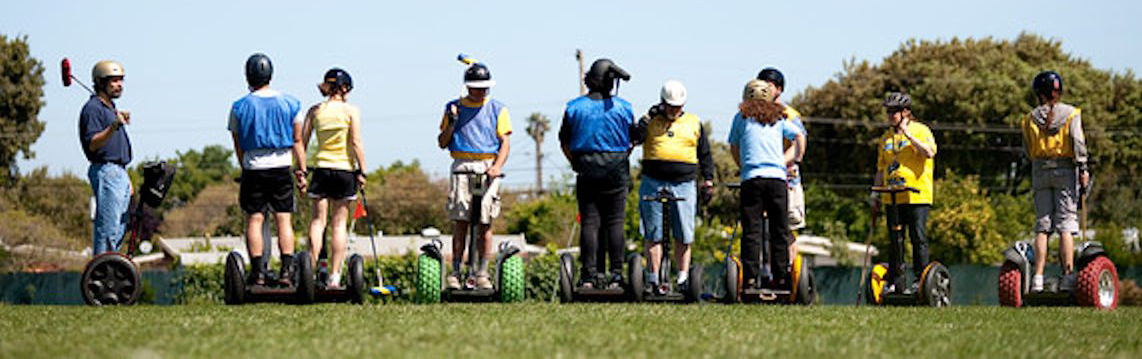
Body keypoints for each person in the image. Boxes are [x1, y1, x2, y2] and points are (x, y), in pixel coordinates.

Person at [228, 53, 308, 286]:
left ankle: (259, 272)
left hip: (254, 167)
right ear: (270, 75)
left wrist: (245, 166)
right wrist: (301, 171)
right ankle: (286, 271)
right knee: (283, 219)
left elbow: (238, 145)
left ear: (248, 77)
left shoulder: (239, 106)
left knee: (254, 220)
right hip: (282, 165)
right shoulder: (291, 103)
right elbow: (297, 141)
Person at [631, 80, 714, 294]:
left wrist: (708, 180)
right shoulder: (651, 121)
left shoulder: (694, 123)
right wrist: (647, 118)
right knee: (653, 232)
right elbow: (635, 139)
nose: (673, 110)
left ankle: (684, 277)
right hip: (653, 180)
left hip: (684, 183)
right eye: (669, 106)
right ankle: (652, 278)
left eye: (677, 107)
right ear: (662, 102)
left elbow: (705, 154)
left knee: (684, 233)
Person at [559, 58, 634, 289]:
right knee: (615, 222)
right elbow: (632, 140)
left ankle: (589, 276)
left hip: (586, 166)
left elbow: (564, 141)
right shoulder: (624, 107)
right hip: (616, 168)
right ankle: (616, 274)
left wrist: (575, 163)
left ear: (590, 80)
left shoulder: (574, 107)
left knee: (590, 223)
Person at [436, 62, 511, 290]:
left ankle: (482, 272)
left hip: (488, 165)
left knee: (484, 223)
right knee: (461, 222)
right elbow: (442, 142)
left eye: (484, 88)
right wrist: (453, 122)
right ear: (468, 87)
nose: (481, 92)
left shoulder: (498, 108)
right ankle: (456, 271)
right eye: (476, 88)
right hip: (461, 165)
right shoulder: (453, 107)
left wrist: (497, 166)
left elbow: (505, 142)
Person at [728, 80, 805, 290]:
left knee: (752, 231)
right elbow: (798, 135)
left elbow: (734, 146)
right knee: (779, 231)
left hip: (752, 179)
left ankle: (750, 279)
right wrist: (787, 160)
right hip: (777, 179)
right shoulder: (779, 117)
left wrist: (742, 165)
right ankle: (781, 279)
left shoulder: (741, 118)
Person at [1021, 71, 1089, 292]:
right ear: (1058, 92)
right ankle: (1067, 277)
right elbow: (1077, 141)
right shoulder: (1071, 114)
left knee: (1043, 225)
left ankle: (1038, 279)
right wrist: (1083, 167)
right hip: (1065, 169)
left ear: (1039, 93)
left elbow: (1027, 149)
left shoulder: (1029, 118)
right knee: (1066, 225)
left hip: (1040, 169)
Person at [299, 68, 366, 288]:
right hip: (344, 170)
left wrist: (300, 170)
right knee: (339, 225)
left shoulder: (315, 110)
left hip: (321, 170)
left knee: (318, 222)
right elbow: (356, 142)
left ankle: (311, 269)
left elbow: (301, 142)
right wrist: (362, 171)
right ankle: (334, 276)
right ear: (344, 88)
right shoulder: (351, 111)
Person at [872, 92, 937, 293]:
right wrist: (874, 195)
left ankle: (921, 279)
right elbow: (881, 169)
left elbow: (930, 152)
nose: (890, 115)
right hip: (892, 196)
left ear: (906, 112)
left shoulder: (921, 130)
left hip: (917, 195)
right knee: (895, 240)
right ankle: (896, 282)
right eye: (888, 111)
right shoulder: (886, 138)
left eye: (895, 111)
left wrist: (909, 135)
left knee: (917, 237)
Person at [79, 60, 133, 256]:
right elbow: (93, 143)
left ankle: (112, 271)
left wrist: (126, 179)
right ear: (101, 83)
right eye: (114, 81)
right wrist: (114, 126)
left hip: (119, 173)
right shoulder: (92, 109)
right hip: (106, 171)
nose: (119, 84)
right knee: (108, 229)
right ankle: (102, 273)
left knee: (118, 229)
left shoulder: (110, 109)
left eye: (121, 80)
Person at [757, 68, 808, 263]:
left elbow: (800, 142)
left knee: (786, 229)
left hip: (787, 179)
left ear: (779, 89)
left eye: (768, 86)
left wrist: (784, 162)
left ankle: (788, 271)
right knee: (762, 228)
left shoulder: (789, 114)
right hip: (763, 177)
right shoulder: (756, 114)